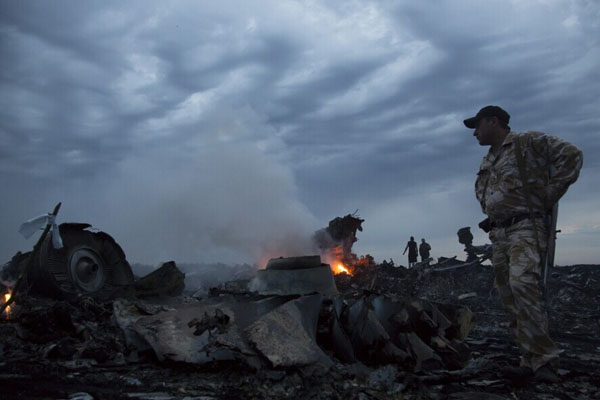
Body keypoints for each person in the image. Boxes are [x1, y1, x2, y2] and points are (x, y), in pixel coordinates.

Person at [464, 105, 583, 382]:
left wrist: (547, 196)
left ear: (493, 121)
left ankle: (545, 361)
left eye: (477, 126)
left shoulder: (526, 142)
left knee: (523, 285)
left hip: (525, 228)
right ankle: (528, 359)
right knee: (509, 296)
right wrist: (493, 214)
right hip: (499, 234)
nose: (475, 133)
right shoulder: (489, 159)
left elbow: (572, 156)